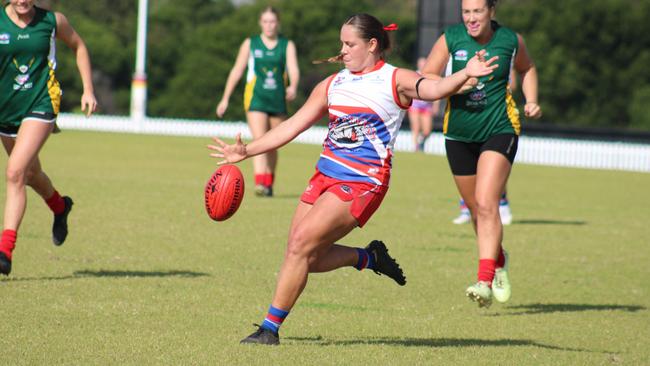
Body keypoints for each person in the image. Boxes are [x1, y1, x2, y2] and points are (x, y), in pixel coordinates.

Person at [209, 13, 498, 345]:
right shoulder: (334, 83)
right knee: (304, 255)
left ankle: (269, 329)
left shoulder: (395, 78)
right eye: (341, 44)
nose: (343, 51)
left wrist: (464, 73)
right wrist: (247, 152)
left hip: (363, 182)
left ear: (372, 45)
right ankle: (368, 258)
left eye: (350, 44)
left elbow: (432, 89)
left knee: (301, 246)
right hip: (323, 177)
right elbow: (292, 125)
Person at [423, 0, 542, 308]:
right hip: (458, 135)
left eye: (478, 11)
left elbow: (527, 68)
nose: (471, 18)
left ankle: (484, 280)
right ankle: (499, 259)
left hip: (499, 130)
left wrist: (530, 99)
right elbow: (427, 77)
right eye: (466, 12)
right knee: (477, 210)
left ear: (492, 10)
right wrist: (460, 81)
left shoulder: (510, 40)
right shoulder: (450, 38)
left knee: (489, 203)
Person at [0, 0, 97, 276]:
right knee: (30, 174)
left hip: (42, 102)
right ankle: (59, 205)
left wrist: (88, 90)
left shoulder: (53, 22)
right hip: (6, 109)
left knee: (15, 172)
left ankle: (4, 250)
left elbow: (79, 47)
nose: (22, 1)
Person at [216, 6, 300, 197]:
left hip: (278, 100)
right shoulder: (250, 43)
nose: (269, 25)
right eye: (265, 21)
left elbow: (293, 69)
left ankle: (269, 182)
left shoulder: (287, 45)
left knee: (273, 143)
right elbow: (237, 70)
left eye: (272, 21)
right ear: (260, 23)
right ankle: (260, 183)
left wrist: (293, 86)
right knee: (259, 140)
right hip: (256, 99)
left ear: (278, 23)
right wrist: (225, 98)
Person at [408, 57, 440, 152]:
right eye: (420, 64)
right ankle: (416, 149)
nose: (422, 65)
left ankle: (421, 143)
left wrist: (436, 106)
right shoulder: (413, 75)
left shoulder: (431, 76)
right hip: (415, 105)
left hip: (427, 106)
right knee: (416, 128)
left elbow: (437, 90)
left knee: (427, 131)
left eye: (424, 64)